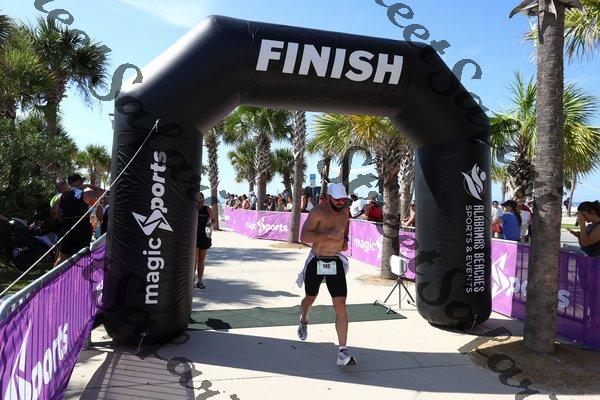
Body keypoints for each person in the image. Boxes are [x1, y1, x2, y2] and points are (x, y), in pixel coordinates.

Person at [296, 182, 356, 367]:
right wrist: (328, 234)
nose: (340, 203)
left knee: (340, 305)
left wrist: (345, 239)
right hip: (317, 259)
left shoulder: (345, 210)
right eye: (337, 200)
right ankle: (304, 319)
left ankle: (343, 352)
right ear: (329, 197)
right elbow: (304, 237)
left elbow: (346, 226)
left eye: (343, 200)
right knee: (310, 298)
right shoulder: (318, 212)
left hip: (335, 260)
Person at [54, 174, 104, 266]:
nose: (82, 182)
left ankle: (55, 274)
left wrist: (63, 219)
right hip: (83, 227)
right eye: (81, 180)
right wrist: (89, 186)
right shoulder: (86, 193)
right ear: (77, 182)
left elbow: (54, 212)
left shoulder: (61, 196)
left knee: (62, 256)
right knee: (84, 254)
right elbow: (103, 192)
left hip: (67, 227)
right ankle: (84, 274)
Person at [195, 192, 217, 288]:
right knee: (194, 260)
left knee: (201, 260)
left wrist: (210, 226)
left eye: (201, 197)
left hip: (204, 237)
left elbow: (214, 220)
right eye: (197, 197)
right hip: (194, 237)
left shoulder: (207, 209)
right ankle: (191, 280)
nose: (199, 199)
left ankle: (200, 281)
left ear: (203, 199)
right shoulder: (192, 208)